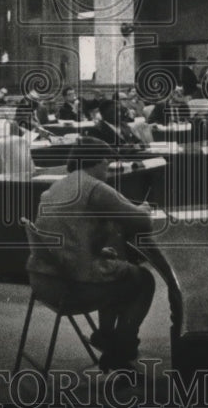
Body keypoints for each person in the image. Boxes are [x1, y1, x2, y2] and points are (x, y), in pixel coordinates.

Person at [26, 137, 155, 373]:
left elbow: (68, 232)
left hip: (42, 280)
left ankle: (105, 336)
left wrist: (92, 250)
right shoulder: (94, 187)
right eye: (107, 166)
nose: (107, 172)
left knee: (115, 269)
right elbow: (142, 222)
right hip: (69, 287)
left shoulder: (59, 186)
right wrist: (144, 210)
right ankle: (120, 351)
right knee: (144, 281)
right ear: (100, 162)